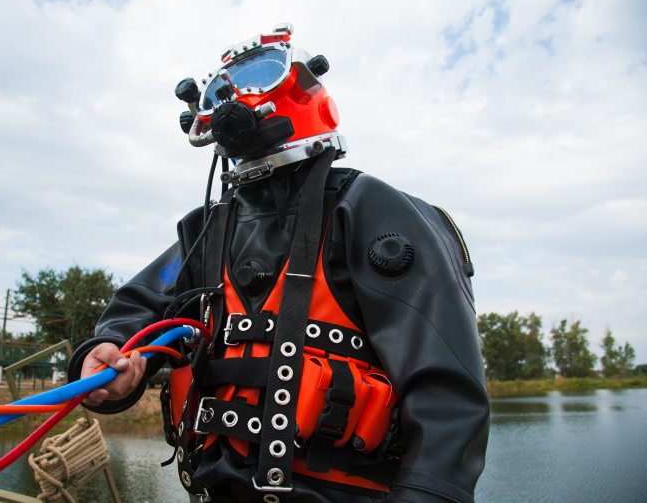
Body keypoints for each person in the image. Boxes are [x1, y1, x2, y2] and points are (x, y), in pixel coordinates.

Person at [68, 24, 489, 503]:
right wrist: (106, 352)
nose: (236, 98)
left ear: (301, 85)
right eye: (221, 90)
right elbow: (138, 309)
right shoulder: (206, 228)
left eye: (261, 76)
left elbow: (448, 399)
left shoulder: (370, 209)